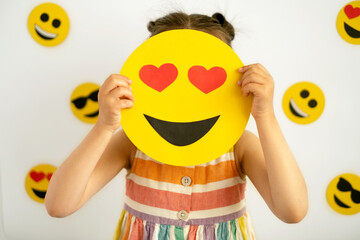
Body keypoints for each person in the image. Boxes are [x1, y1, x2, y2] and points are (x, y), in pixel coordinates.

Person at [45, 12, 308, 240]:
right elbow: (59, 205)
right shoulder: (133, 142)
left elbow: (292, 211)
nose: (185, 101)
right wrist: (104, 126)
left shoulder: (239, 146)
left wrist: (266, 117)